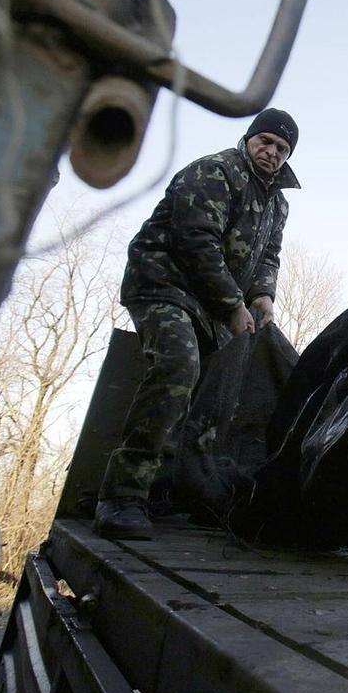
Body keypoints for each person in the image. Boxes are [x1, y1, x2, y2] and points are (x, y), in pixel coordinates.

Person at [94, 108, 301, 540]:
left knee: (208, 393)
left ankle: (161, 492)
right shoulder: (216, 171)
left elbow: (268, 256)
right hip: (164, 284)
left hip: (209, 307)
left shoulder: (277, 203)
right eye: (265, 142)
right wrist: (231, 305)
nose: (272, 153)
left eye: (282, 149)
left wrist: (263, 295)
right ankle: (121, 496)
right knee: (177, 366)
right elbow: (195, 240)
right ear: (249, 140)